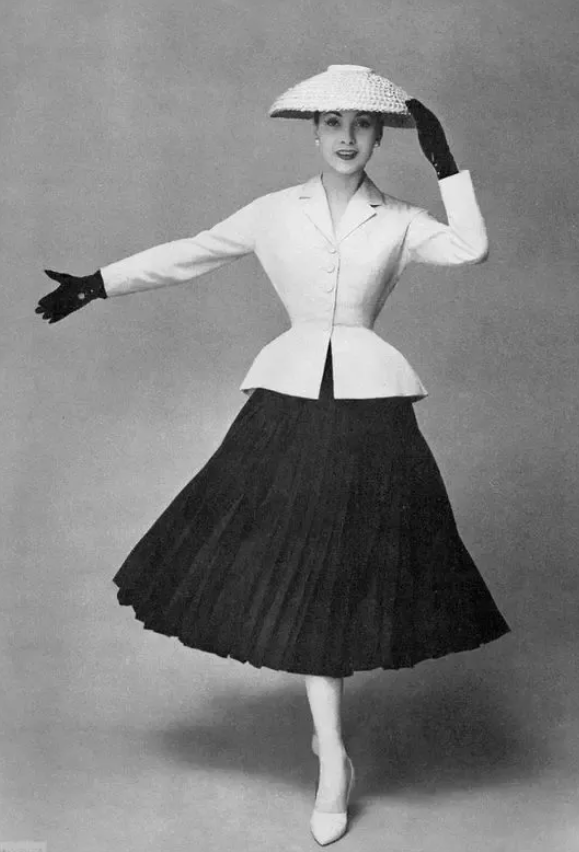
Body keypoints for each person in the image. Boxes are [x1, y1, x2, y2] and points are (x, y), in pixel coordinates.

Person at [36, 64, 510, 846]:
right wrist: (96, 283)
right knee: (297, 563)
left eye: (362, 124)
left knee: (346, 570)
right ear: (313, 133)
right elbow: (192, 252)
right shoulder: (271, 212)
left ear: (381, 136)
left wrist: (446, 165)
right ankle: (331, 754)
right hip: (288, 405)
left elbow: (472, 248)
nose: (346, 138)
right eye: (331, 123)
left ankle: (331, 755)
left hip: (369, 412)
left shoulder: (399, 220)